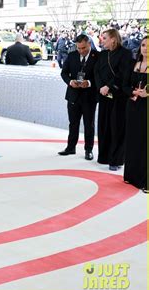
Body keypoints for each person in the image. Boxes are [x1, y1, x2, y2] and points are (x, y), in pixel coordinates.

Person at [94, 29, 134, 171]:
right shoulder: (103, 54)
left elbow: (123, 74)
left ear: (113, 39)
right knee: (104, 126)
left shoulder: (126, 54)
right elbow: (96, 71)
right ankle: (104, 156)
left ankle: (116, 160)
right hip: (104, 95)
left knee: (117, 128)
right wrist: (100, 87)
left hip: (118, 96)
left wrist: (108, 86)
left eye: (104, 38)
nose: (102, 40)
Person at [58, 35, 99, 160]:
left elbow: (101, 76)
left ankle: (89, 150)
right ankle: (70, 148)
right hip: (73, 95)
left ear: (89, 44)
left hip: (89, 96)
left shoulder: (98, 56)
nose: (81, 51)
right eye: (79, 48)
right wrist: (70, 82)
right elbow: (64, 73)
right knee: (73, 123)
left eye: (84, 48)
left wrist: (90, 83)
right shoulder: (71, 55)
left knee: (89, 124)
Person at [123, 36, 147, 193]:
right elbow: (124, 84)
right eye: (144, 45)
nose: (146, 48)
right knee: (133, 140)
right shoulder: (133, 64)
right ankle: (131, 176)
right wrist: (132, 91)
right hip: (133, 106)